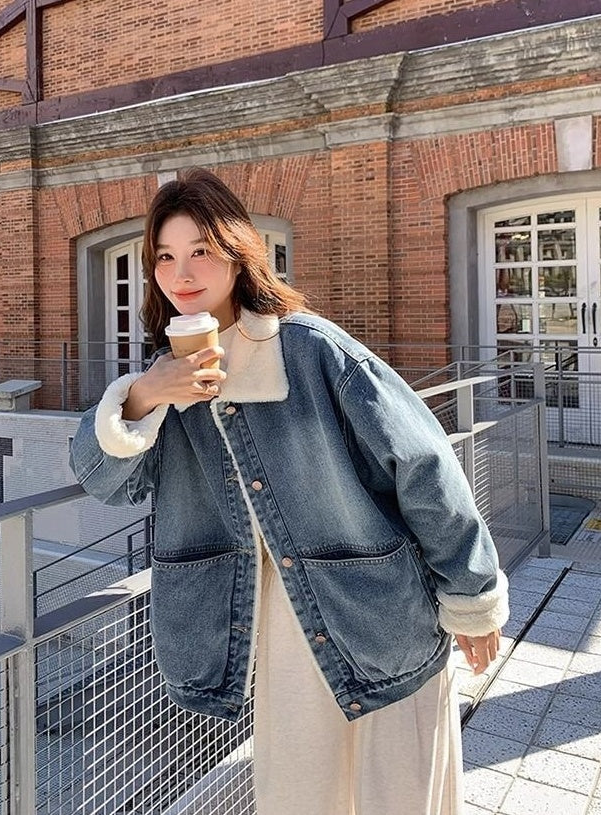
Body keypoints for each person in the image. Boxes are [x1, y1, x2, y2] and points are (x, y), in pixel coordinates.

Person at [69, 168, 508, 815]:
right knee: (299, 796)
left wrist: (471, 599)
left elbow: (423, 465)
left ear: (237, 253)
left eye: (200, 250)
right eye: (163, 255)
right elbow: (104, 482)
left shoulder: (310, 350)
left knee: (402, 796)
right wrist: (142, 396)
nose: (180, 272)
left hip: (378, 614)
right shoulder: (163, 379)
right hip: (275, 633)